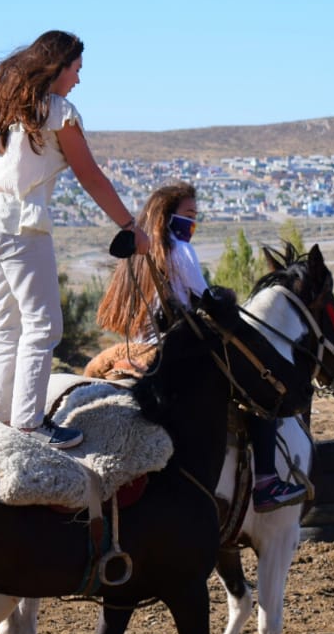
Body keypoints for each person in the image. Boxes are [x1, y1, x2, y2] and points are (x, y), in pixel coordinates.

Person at [0, 30, 149, 449]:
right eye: (76, 70)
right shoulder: (57, 111)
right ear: (57, 67)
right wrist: (130, 226)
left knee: (5, 322)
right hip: (19, 225)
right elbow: (90, 176)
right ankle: (29, 424)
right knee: (43, 325)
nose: (78, 80)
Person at [95, 182, 307, 513]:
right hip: (173, 349)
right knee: (258, 383)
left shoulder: (140, 255)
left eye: (196, 215)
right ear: (168, 216)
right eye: (189, 215)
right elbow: (206, 300)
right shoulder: (180, 250)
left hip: (137, 347)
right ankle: (267, 481)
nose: (193, 222)